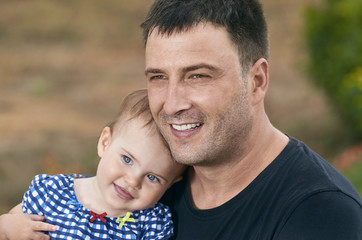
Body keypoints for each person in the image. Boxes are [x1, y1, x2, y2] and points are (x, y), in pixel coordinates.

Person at [1, 0, 362, 239]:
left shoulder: (319, 213)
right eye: (158, 76)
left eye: (198, 75)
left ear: (256, 81)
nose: (172, 104)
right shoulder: (147, 182)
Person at [0, 89, 185, 239]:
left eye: (152, 177)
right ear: (105, 143)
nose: (133, 181)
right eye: (127, 159)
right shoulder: (52, 192)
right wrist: (6, 226)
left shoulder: (150, 224)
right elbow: (11, 226)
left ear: (171, 183)